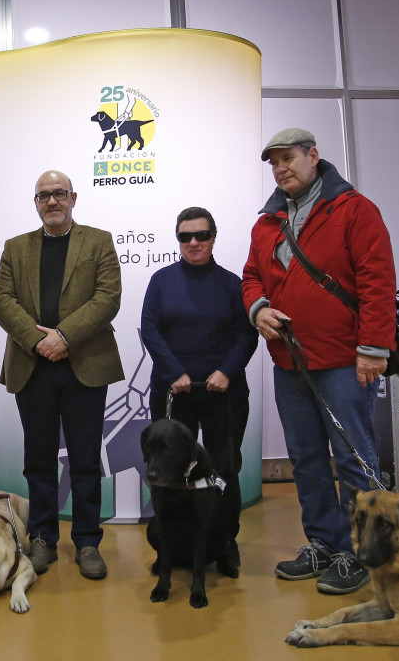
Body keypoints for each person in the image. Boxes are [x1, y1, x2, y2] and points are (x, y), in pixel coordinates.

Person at [243, 128, 397, 595]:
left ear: (313, 156)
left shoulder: (354, 209)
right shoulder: (266, 222)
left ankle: (362, 552)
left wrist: (373, 348)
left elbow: (377, 280)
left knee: (353, 460)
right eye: (274, 162)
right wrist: (259, 309)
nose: (280, 168)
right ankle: (325, 544)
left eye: (288, 158)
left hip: (344, 361)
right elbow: (251, 277)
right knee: (307, 460)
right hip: (290, 362)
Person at [0, 169, 124, 580]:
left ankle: (87, 541)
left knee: (85, 460)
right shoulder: (16, 247)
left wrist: (64, 336)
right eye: (44, 195)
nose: (52, 201)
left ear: (73, 198)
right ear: (36, 202)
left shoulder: (98, 241)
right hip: (33, 367)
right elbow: (1, 300)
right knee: (39, 460)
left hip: (86, 365)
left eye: (59, 194)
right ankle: (43, 538)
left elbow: (108, 298)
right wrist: (39, 341)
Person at [140, 207, 258, 573]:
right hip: (174, 393)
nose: (193, 242)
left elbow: (246, 334)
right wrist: (174, 372)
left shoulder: (231, 284)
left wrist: (226, 371)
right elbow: (150, 330)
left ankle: (225, 543)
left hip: (224, 394)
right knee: (171, 472)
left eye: (201, 235)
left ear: (213, 238)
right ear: (178, 240)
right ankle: (173, 545)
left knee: (225, 469)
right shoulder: (161, 281)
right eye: (185, 236)